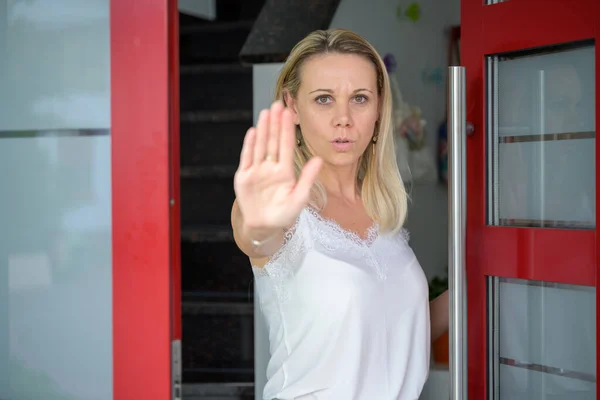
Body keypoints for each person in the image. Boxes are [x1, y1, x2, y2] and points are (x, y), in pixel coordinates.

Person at [231, 28, 449, 400]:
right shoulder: (280, 208)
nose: (343, 118)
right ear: (293, 106)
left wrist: (479, 284)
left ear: (379, 108)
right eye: (324, 99)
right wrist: (257, 225)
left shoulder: (383, 213)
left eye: (359, 98)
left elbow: (396, 333)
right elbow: (255, 236)